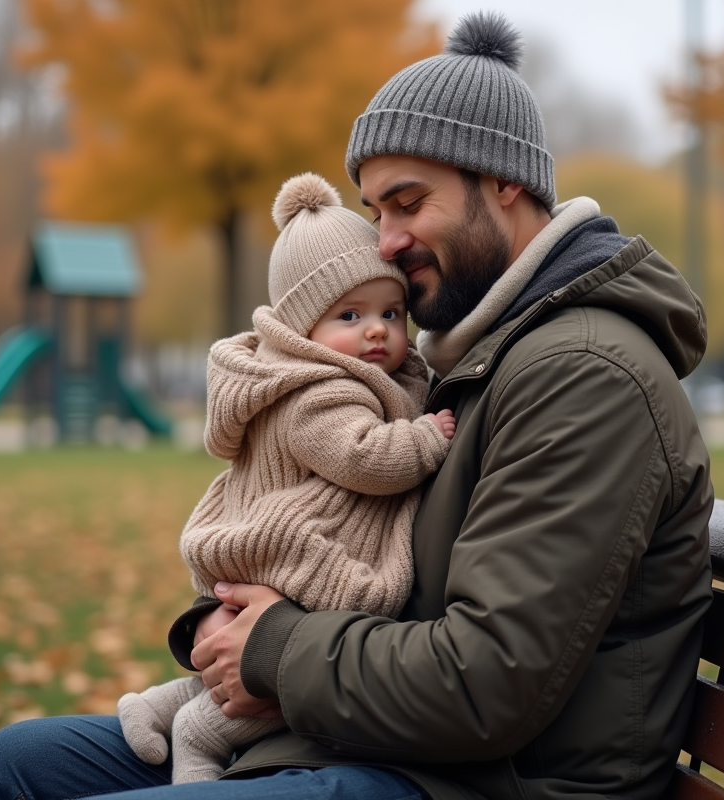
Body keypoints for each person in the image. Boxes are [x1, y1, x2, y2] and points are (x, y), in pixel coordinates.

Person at [0, 12, 713, 800]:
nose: (384, 241)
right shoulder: (473, 357)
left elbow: (487, 682)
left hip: (483, 781)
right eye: (376, 211)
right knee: (14, 766)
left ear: (504, 182)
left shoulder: (582, 375)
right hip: (374, 738)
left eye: (408, 203)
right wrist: (226, 621)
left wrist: (275, 649)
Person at [115, 173, 456, 784]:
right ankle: (198, 737)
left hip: (279, 563)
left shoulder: (354, 377)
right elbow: (363, 459)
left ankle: (156, 706)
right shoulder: (317, 395)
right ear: (302, 331)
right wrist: (425, 438)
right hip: (296, 557)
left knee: (233, 665)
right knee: (262, 685)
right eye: (349, 314)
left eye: (391, 312)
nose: (377, 330)